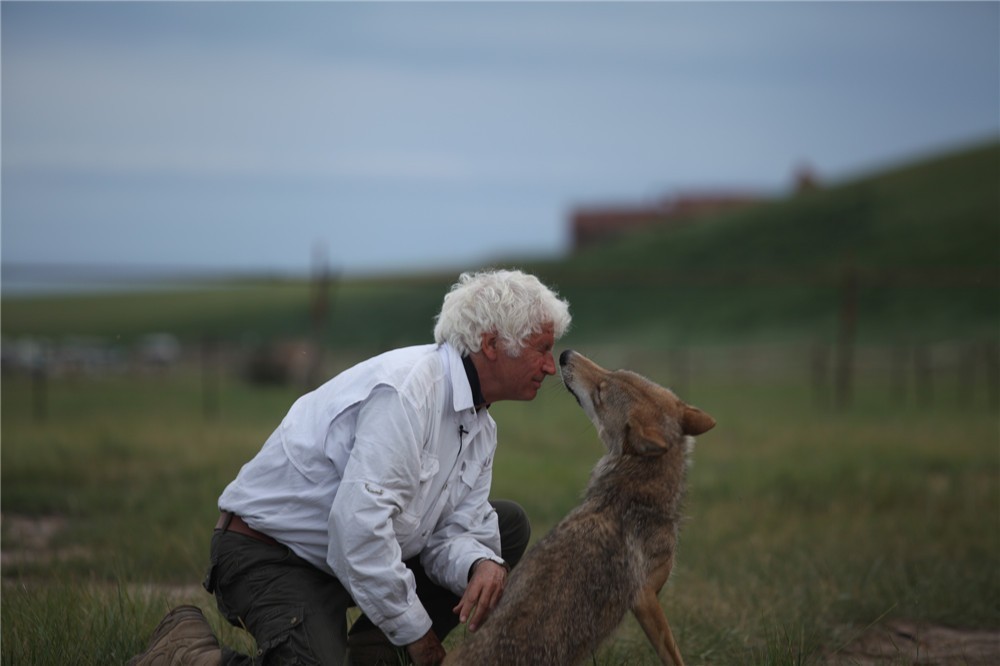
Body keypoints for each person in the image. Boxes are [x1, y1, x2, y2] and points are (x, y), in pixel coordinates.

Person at [129, 269, 572, 666]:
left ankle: (376, 656)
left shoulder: (479, 425)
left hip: (343, 556)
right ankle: (188, 653)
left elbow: (449, 533)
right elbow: (357, 532)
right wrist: (421, 639)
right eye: (542, 350)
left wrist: (480, 562)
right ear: (491, 345)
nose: (550, 367)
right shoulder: (408, 394)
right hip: (271, 554)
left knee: (505, 527)